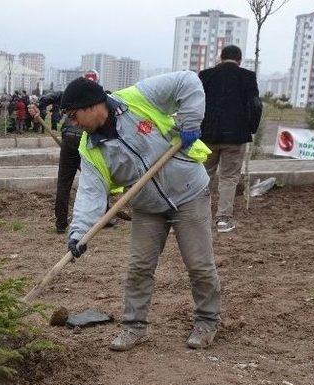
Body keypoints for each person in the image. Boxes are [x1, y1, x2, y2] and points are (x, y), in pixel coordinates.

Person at [60, 73, 221, 351]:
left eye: (74, 116)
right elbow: (90, 193)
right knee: (139, 267)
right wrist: (78, 233)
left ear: (92, 106)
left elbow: (188, 81)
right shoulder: (90, 148)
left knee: (199, 264)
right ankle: (134, 327)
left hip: (189, 192)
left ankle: (207, 322)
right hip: (147, 207)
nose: (72, 123)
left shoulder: (138, 98)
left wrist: (190, 121)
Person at [199, 45, 262, 233]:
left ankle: (199, 216)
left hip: (207, 136)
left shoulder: (205, 75)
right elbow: (256, 105)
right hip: (235, 137)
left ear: (221, 57)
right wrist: (249, 129)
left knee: (203, 176)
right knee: (229, 177)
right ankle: (223, 220)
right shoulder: (248, 77)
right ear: (240, 60)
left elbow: (197, 102)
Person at [33, 70, 101, 233]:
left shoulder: (71, 94)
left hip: (69, 136)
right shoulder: (99, 97)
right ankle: (103, 217)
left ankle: (61, 223)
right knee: (96, 179)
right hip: (86, 138)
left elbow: (52, 96)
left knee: (64, 181)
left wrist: (38, 105)